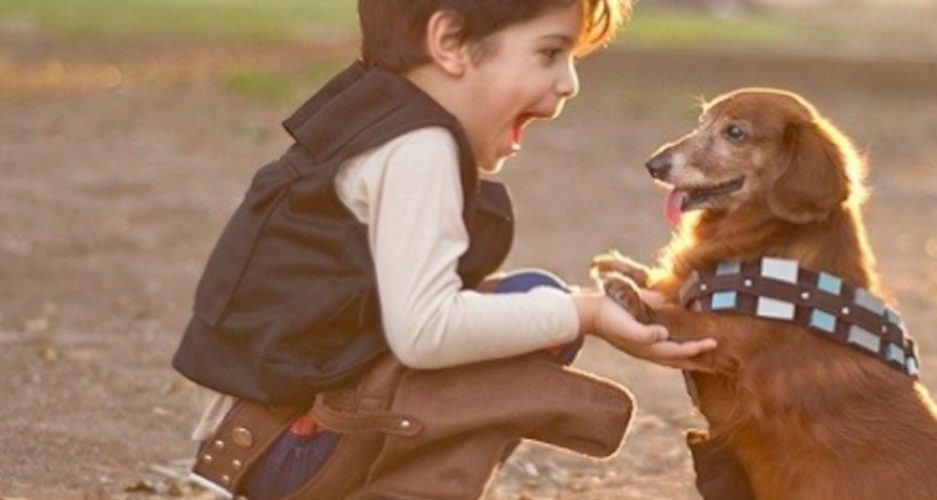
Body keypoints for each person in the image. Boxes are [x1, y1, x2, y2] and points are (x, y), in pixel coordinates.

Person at [170, 1, 725, 498]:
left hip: (266, 431)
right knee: (544, 311)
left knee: (528, 302)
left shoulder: (376, 118)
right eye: (551, 53)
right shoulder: (419, 149)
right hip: (281, 450)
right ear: (451, 44)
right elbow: (426, 331)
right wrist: (585, 311)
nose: (570, 82)